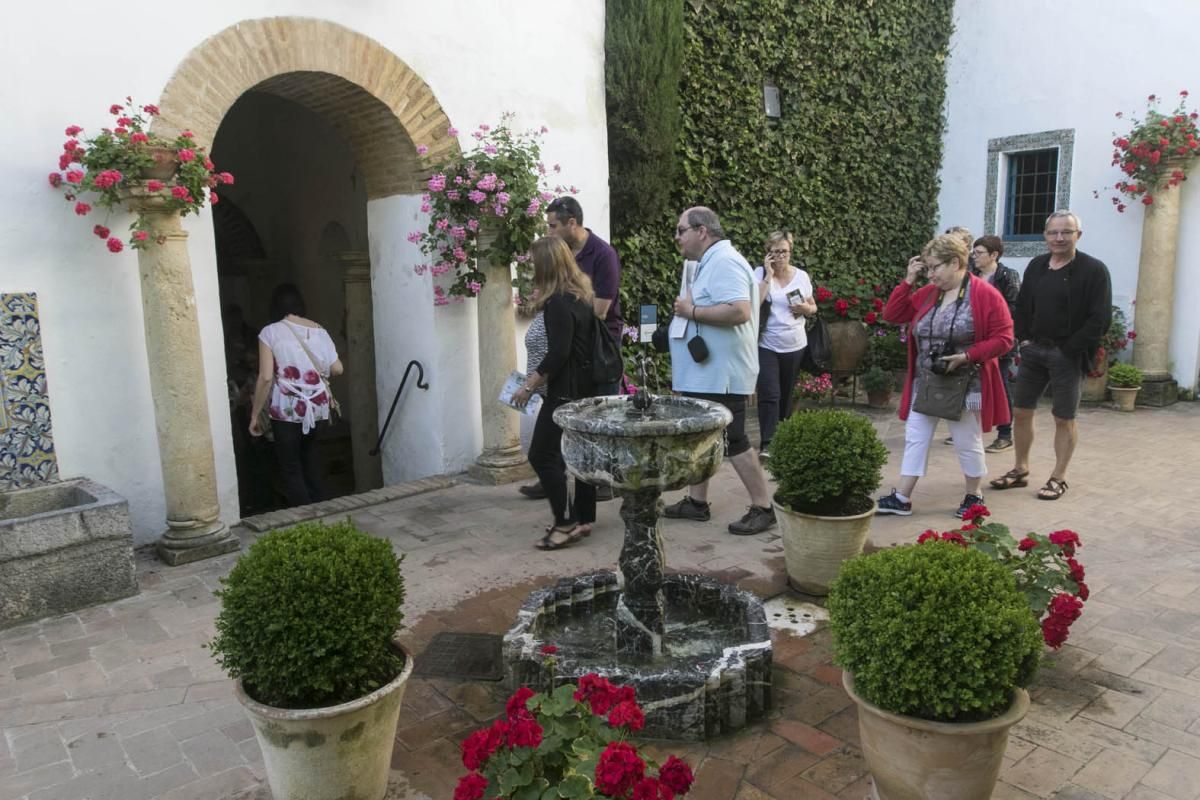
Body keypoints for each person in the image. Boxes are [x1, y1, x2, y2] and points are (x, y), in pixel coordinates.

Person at [875, 234, 1014, 518]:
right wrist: (908, 281)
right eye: (927, 268)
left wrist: (967, 356)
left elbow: (1005, 339)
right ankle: (902, 497)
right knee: (916, 437)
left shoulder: (986, 295)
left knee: (966, 439)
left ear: (955, 262)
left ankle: (974, 496)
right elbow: (892, 314)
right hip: (927, 380)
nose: (931, 273)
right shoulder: (928, 293)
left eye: (934, 267)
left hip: (965, 382)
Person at [663, 206, 776, 535]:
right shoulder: (710, 262)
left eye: (681, 230)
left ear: (702, 231)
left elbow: (739, 311)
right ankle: (697, 503)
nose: (677, 237)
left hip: (721, 375)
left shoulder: (725, 261)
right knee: (704, 437)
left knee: (733, 438)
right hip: (709, 372)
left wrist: (692, 310)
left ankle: (763, 507)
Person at [990, 211, 1112, 501]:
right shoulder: (1037, 265)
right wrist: (1024, 338)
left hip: (1068, 355)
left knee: (1063, 417)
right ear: (1045, 236)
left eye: (1066, 232)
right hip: (1034, 351)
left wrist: (1069, 349)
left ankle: (1059, 477)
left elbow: (1100, 319)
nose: (1059, 238)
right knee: (1020, 412)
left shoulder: (1094, 270)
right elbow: (1023, 305)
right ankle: (1020, 469)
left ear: (1077, 235)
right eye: (1053, 232)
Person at [519, 196, 623, 501]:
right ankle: (556, 477)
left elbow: (601, 310)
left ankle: (591, 487)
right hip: (569, 350)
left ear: (571, 223)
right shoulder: (562, 256)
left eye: (553, 225)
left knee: (592, 419)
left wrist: (561, 310)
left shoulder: (602, 254)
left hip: (594, 350)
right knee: (566, 419)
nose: (550, 231)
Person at [510, 237, 598, 550]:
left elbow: (559, 352)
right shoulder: (578, 295)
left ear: (546, 264)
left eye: (534, 262)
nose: (531, 267)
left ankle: (565, 523)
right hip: (579, 391)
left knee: (542, 456)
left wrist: (529, 385)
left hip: (564, 393)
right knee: (570, 458)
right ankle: (577, 517)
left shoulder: (559, 301)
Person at [249, 283, 343, 508]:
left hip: (287, 410)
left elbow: (265, 377)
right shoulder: (320, 331)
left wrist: (254, 415)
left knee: (290, 466)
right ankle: (323, 511)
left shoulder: (270, 332)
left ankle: (305, 517)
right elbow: (338, 368)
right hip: (319, 407)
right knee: (311, 459)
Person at [753, 230, 816, 457]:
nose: (780, 257)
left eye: (784, 252)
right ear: (767, 253)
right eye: (775, 252)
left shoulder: (801, 276)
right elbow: (753, 304)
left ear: (791, 252)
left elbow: (813, 307)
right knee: (769, 392)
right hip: (767, 343)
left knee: (786, 393)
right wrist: (768, 277)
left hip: (794, 344)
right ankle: (768, 442)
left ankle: (783, 436)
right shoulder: (759, 274)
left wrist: (805, 309)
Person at [972, 235, 1021, 452]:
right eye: (974, 252)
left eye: (979, 252)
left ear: (994, 255)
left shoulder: (1007, 276)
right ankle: (968, 429)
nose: (975, 256)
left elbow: (1014, 308)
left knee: (1000, 385)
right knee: (971, 385)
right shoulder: (970, 276)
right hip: (974, 341)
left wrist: (987, 316)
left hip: (998, 342)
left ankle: (1005, 434)